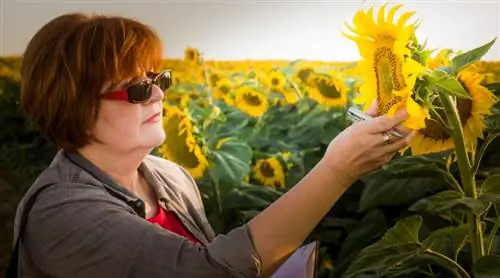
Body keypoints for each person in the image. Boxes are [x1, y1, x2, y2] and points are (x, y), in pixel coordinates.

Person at [10, 13, 414, 278]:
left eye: (159, 79)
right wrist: (338, 169)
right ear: (73, 106)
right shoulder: (61, 214)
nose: (158, 96)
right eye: (136, 90)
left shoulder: (170, 178)